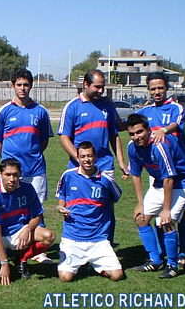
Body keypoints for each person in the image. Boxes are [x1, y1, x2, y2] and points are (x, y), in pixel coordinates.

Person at [58, 69, 127, 243]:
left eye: (103, 87)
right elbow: (64, 137)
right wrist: (80, 160)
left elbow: (114, 135)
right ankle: (76, 244)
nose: (101, 91)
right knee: (77, 207)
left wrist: (121, 161)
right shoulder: (72, 106)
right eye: (97, 87)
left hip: (104, 166)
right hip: (78, 168)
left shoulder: (107, 106)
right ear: (86, 84)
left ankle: (106, 244)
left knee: (107, 207)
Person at [0, 68, 54, 264]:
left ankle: (34, 252)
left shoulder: (40, 111)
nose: (22, 88)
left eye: (26, 85)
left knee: (36, 209)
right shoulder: (4, 111)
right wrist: (9, 162)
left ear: (31, 86)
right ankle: (3, 243)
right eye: (19, 84)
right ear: (12, 86)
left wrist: (31, 155)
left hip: (35, 169)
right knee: (7, 207)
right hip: (11, 172)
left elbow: (43, 141)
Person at [126, 114, 185, 279]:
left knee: (167, 221)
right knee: (141, 218)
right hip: (160, 182)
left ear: (149, 130)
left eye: (140, 132)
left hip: (182, 182)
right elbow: (136, 175)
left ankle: (172, 264)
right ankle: (155, 260)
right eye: (132, 134)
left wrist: (166, 209)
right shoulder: (132, 147)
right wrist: (140, 203)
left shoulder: (159, 146)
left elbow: (169, 178)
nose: (136, 137)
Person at [137, 72, 185, 269]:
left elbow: (176, 124)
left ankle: (182, 253)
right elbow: (134, 128)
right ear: (148, 90)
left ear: (167, 88)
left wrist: (163, 130)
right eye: (153, 88)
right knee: (158, 213)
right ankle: (159, 255)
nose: (157, 92)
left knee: (182, 213)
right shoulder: (145, 112)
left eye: (160, 87)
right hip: (157, 171)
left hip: (179, 170)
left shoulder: (176, 107)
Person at [0, 158, 55, 285]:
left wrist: (28, 229)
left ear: (20, 174)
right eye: (8, 175)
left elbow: (37, 215)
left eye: (15, 175)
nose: (12, 179)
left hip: (19, 229)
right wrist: (4, 263)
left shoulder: (27, 188)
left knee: (49, 237)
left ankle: (21, 259)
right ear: (0, 174)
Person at [56, 141, 123, 282]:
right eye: (83, 156)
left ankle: (94, 264)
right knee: (65, 277)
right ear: (78, 158)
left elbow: (114, 197)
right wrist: (61, 207)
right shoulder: (68, 175)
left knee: (117, 275)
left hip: (98, 239)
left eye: (90, 156)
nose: (87, 160)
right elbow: (62, 196)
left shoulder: (106, 179)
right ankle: (78, 262)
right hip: (72, 237)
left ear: (95, 156)